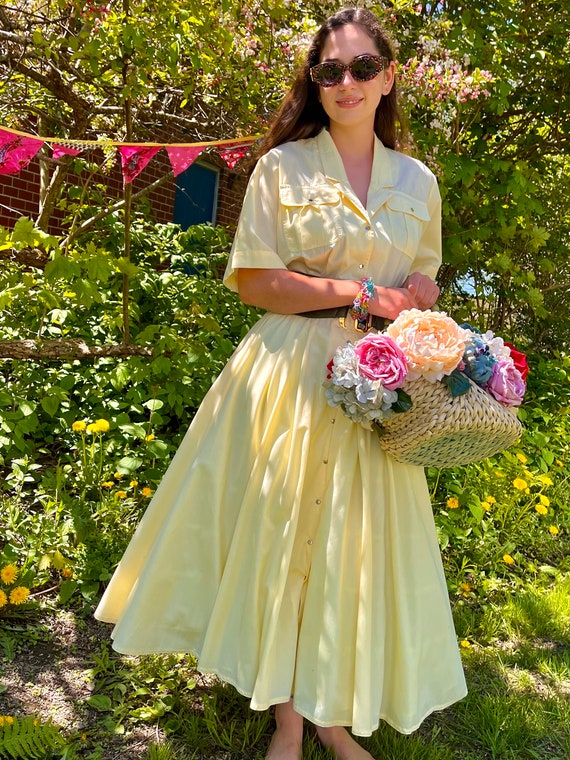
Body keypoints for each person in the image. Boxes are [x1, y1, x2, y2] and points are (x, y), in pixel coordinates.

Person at [95, 7, 467, 759]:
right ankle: (290, 720)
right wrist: (360, 295)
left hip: (381, 384)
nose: (347, 82)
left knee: (347, 549)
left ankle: (332, 715)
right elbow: (257, 281)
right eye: (330, 70)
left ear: (390, 78)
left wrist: (416, 298)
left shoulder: (417, 180)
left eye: (364, 67)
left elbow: (425, 270)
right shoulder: (284, 166)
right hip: (290, 375)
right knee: (281, 540)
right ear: (315, 81)